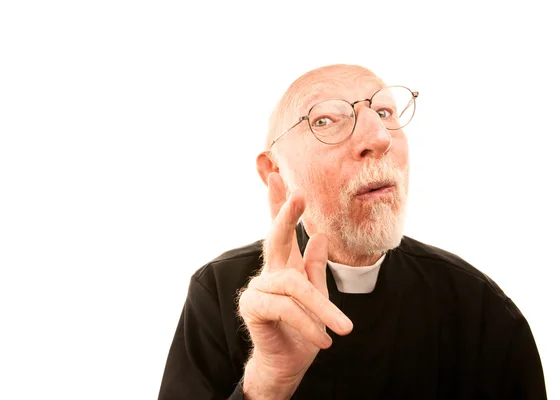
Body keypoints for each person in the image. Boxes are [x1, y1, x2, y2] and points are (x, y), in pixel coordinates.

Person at [158, 64, 547, 399]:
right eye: (325, 120)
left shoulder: (481, 309)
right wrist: (269, 380)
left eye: (384, 111)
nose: (378, 139)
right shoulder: (218, 290)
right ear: (275, 172)